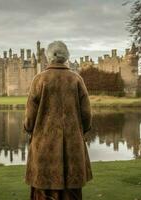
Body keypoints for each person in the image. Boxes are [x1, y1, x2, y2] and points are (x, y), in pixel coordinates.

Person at [23, 41, 92, 200]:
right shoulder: (76, 79)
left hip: (44, 144)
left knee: (44, 189)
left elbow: (29, 117)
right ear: (66, 56)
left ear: (48, 57)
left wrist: (29, 130)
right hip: (73, 144)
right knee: (71, 191)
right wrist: (83, 131)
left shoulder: (39, 80)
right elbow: (87, 114)